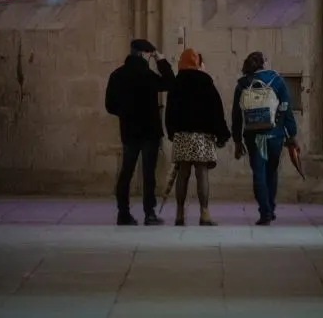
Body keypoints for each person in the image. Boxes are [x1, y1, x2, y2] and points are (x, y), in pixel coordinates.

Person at [105, 39, 175, 226]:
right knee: (148, 173)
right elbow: (170, 83)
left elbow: (110, 106)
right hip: (149, 131)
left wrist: (126, 113)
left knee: (126, 172)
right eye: (150, 55)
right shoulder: (148, 75)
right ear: (145, 54)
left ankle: (123, 212)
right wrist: (161, 61)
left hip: (129, 131)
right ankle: (149, 213)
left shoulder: (117, 75)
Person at [232, 51, 299, 226]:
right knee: (271, 171)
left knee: (259, 173)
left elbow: (236, 116)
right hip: (275, 135)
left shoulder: (242, 84)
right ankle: (271, 207)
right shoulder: (277, 80)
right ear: (264, 63)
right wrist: (291, 133)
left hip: (254, 137)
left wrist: (237, 140)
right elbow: (286, 107)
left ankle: (265, 212)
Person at [165, 48, 230, 226]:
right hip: (202, 136)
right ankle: (205, 213)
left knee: (183, 173)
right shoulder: (205, 81)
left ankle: (179, 214)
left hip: (183, 135)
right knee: (202, 174)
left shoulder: (176, 82)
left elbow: (169, 110)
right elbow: (216, 109)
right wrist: (221, 134)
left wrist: (171, 131)